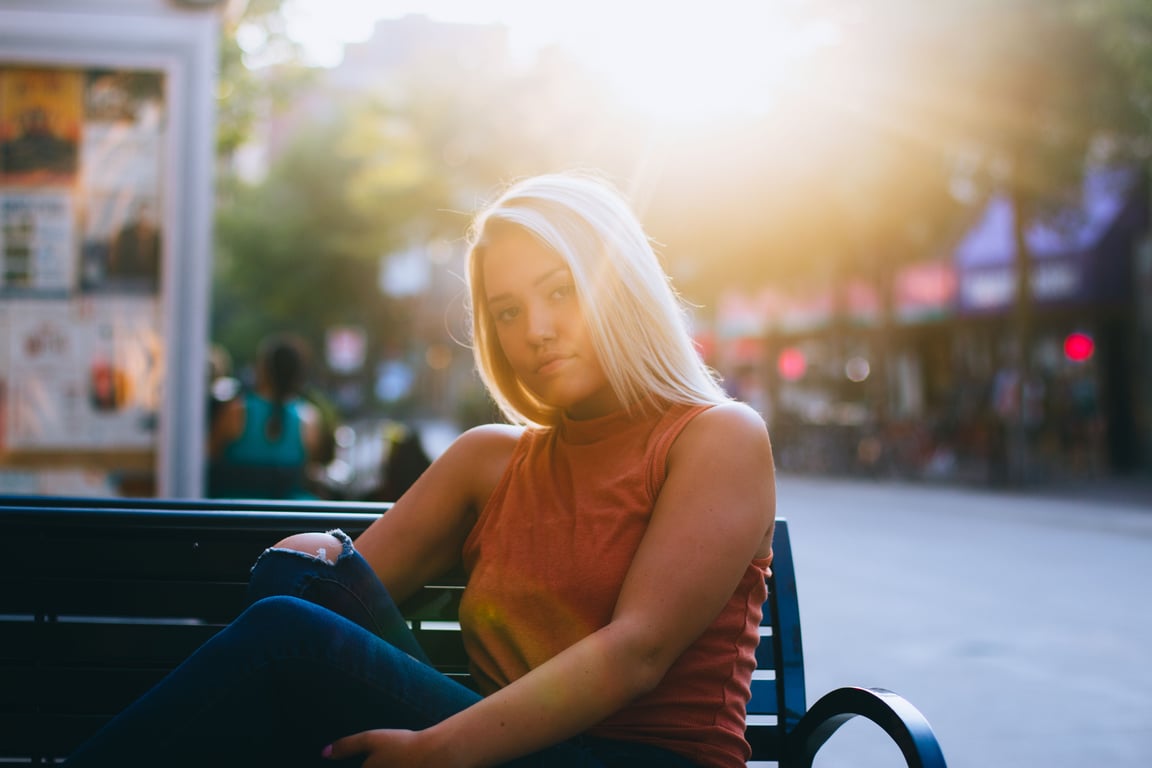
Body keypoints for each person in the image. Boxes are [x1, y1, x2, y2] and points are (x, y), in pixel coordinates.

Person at [64, 171, 776, 768]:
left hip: (635, 760)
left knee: (285, 629)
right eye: (506, 310)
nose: (534, 329)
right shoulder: (488, 460)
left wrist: (437, 750)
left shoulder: (717, 438)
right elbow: (329, 605)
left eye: (561, 292)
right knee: (292, 583)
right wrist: (324, 558)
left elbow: (637, 653)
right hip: (501, 751)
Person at [206, 333, 328, 499]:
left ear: (263, 369)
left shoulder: (237, 411)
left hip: (235, 513)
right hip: (289, 516)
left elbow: (208, 457)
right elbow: (308, 471)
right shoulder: (309, 419)